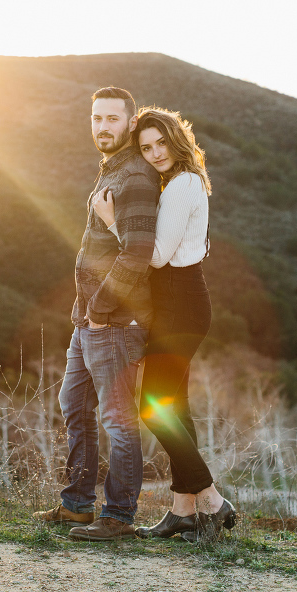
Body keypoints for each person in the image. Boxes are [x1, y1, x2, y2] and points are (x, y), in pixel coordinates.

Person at [92, 106, 236, 542]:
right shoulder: (177, 183)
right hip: (175, 302)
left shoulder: (183, 184)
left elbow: (154, 255)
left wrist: (113, 222)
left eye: (160, 144)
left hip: (182, 303)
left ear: (177, 140)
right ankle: (183, 510)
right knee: (176, 407)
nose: (154, 153)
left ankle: (211, 499)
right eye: (146, 147)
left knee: (153, 408)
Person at [32, 87, 160, 541]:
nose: (102, 126)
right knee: (74, 405)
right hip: (87, 320)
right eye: (96, 118)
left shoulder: (137, 178)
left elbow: (138, 254)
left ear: (129, 122)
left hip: (115, 323)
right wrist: (85, 311)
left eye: (111, 118)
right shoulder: (112, 169)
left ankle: (120, 517)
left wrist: (102, 308)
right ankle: (78, 505)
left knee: (118, 420)